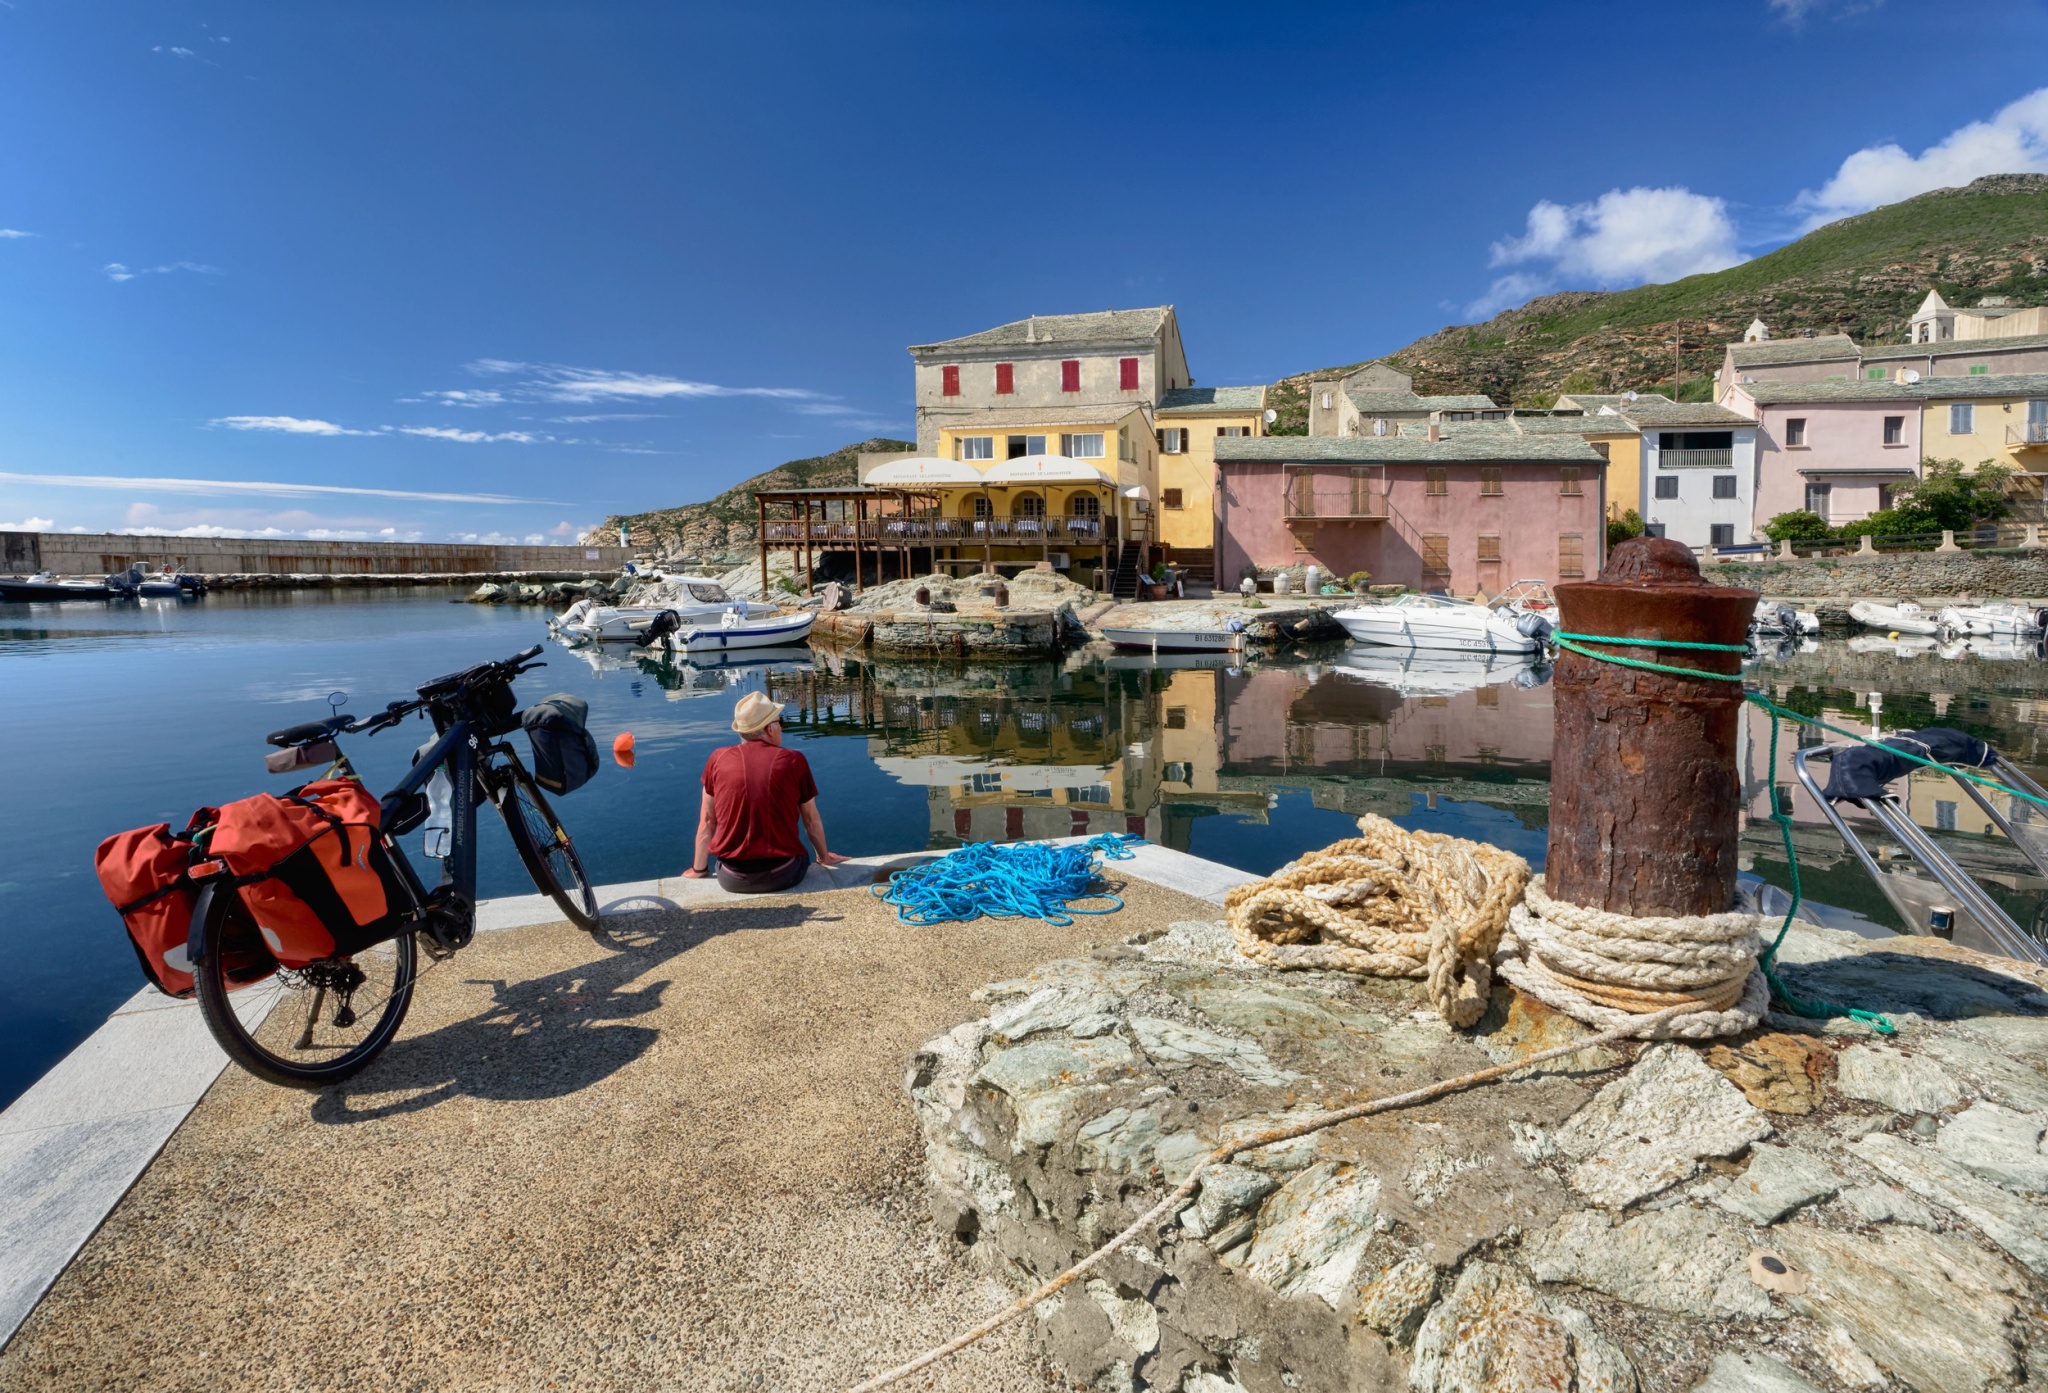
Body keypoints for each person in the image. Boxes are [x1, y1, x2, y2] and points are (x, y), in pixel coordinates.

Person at [682, 690, 847, 893]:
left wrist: (699, 869)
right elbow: (811, 820)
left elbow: (708, 821)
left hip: (732, 878)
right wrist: (824, 857)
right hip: (784, 874)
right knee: (799, 853)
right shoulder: (794, 761)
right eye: (781, 723)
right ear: (770, 729)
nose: (781, 728)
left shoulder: (717, 759)